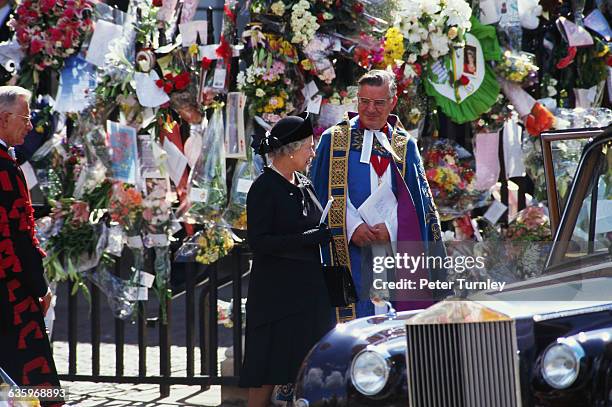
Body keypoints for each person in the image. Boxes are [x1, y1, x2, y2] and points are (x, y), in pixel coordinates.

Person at [311, 70, 446, 322]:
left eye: (379, 103)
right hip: (348, 254)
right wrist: (353, 227)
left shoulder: (405, 145)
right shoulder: (333, 140)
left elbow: (419, 205)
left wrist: (392, 228)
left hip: (392, 253)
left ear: (392, 102)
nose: (370, 109)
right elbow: (320, 196)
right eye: (364, 101)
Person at [240, 112, 334, 407]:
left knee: (306, 365)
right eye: (308, 147)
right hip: (276, 296)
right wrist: (308, 238)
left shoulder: (304, 183)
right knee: (267, 367)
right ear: (291, 150)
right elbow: (260, 242)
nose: (312, 153)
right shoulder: (264, 188)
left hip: (310, 294)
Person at [0, 86, 63, 406]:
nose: (30, 125)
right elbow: (20, 233)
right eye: (25, 118)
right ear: (4, 118)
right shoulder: (5, 169)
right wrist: (40, 287)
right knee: (30, 381)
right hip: (10, 294)